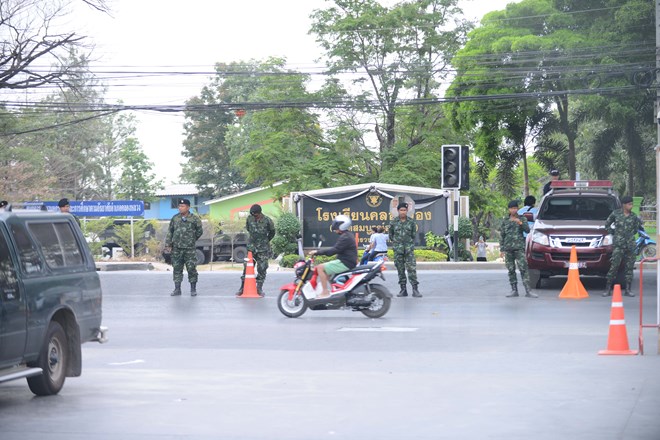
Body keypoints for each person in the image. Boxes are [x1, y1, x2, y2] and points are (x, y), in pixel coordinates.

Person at [602, 195, 643, 297]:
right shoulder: (616, 214)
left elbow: (636, 229)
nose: (631, 206)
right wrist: (615, 233)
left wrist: (628, 236)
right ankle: (608, 289)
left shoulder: (634, 216)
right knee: (614, 266)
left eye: (632, 204)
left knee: (629, 268)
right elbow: (607, 225)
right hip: (618, 245)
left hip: (630, 245)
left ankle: (628, 289)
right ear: (624, 205)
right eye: (629, 204)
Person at [309, 214, 357, 299]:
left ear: (342, 225)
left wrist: (317, 252)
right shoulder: (346, 235)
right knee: (325, 270)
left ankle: (325, 292)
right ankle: (335, 291)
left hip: (345, 262)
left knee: (320, 268)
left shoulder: (345, 237)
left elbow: (333, 251)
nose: (334, 227)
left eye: (336, 225)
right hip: (346, 261)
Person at [165, 198, 203, 297]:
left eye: (182, 206)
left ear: (188, 207)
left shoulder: (194, 219)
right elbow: (170, 232)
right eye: (179, 206)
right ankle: (177, 289)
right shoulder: (175, 218)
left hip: (189, 249)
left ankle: (193, 289)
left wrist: (191, 239)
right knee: (177, 269)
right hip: (177, 249)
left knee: (191, 269)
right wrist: (168, 245)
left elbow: (199, 231)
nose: (180, 208)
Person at [500, 200, 537, 298]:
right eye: (512, 208)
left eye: (515, 208)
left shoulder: (522, 218)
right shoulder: (505, 220)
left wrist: (520, 222)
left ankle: (528, 291)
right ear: (509, 209)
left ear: (517, 209)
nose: (514, 210)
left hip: (519, 248)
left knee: (523, 268)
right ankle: (514, 290)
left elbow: (527, 230)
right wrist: (501, 249)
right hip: (508, 249)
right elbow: (502, 235)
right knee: (511, 269)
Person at [238, 204, 275, 297]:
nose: (254, 216)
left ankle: (259, 288)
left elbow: (272, 232)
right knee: (247, 267)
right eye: (253, 214)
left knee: (262, 268)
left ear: (259, 213)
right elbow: (248, 228)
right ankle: (242, 287)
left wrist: (266, 241)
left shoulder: (267, 220)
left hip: (263, 248)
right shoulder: (249, 219)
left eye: (255, 215)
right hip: (251, 247)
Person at [389, 202, 421, 298]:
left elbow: (413, 235)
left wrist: (408, 245)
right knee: (400, 269)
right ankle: (403, 290)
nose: (403, 212)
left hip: (408, 250)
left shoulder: (411, 222)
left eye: (404, 210)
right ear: (398, 211)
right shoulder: (393, 222)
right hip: (398, 250)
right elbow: (391, 236)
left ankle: (415, 289)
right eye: (401, 210)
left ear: (407, 211)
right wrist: (397, 244)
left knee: (411, 269)